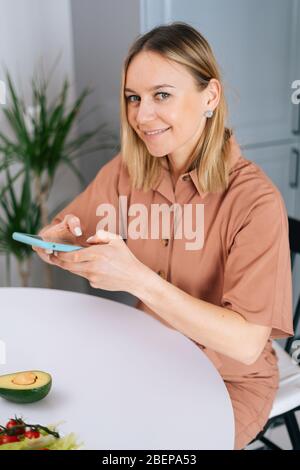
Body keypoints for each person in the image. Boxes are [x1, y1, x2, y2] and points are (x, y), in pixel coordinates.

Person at [33, 22, 293, 449]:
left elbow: (246, 344)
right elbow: (66, 230)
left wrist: (136, 279)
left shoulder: (255, 201)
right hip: (147, 355)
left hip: (227, 379)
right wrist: (56, 240)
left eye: (162, 95)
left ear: (210, 96)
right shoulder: (127, 171)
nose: (142, 115)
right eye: (134, 98)